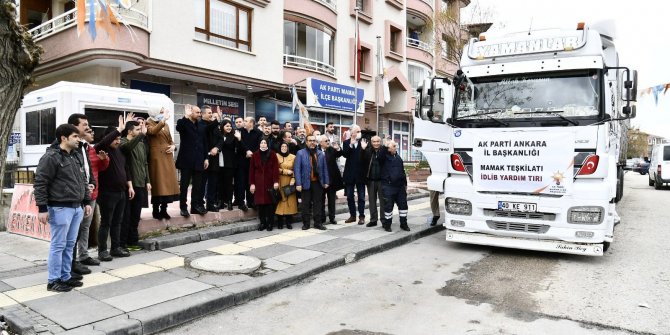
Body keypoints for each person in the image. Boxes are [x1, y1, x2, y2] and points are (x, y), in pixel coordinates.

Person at [34, 124, 93, 292]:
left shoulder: (75, 156)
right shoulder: (51, 157)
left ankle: (65, 276)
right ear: (64, 138)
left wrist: (86, 202)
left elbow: (82, 180)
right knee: (58, 245)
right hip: (60, 208)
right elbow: (40, 183)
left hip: (76, 207)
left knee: (69, 245)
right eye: (75, 136)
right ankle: (53, 280)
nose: (78, 139)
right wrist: (42, 208)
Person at [95, 118, 133, 261]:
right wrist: (119, 129)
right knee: (106, 222)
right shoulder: (102, 149)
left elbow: (126, 168)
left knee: (118, 221)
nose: (117, 141)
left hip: (121, 192)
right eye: (115, 138)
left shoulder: (119, 151)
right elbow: (103, 142)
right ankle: (102, 250)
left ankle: (115, 248)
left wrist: (130, 186)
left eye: (119, 138)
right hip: (107, 193)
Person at [66, 113, 96, 276]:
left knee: (84, 227)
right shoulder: (66, 148)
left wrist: (92, 183)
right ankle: (69, 266)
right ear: (75, 126)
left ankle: (81, 258)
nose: (88, 126)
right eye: (84, 124)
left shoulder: (83, 146)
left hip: (86, 193)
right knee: (71, 234)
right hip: (74, 196)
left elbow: (87, 168)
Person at [77, 128, 109, 267]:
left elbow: (97, 169)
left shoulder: (90, 149)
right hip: (78, 195)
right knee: (75, 228)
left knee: (85, 227)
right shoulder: (76, 149)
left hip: (91, 194)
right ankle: (71, 261)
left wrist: (104, 160)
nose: (92, 133)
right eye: (88, 130)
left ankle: (83, 255)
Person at [120, 120, 151, 252]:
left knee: (136, 215)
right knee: (126, 215)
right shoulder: (122, 142)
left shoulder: (141, 144)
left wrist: (148, 181)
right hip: (129, 184)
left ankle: (133, 241)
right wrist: (141, 135)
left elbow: (145, 163)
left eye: (140, 130)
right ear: (130, 131)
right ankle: (123, 242)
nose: (140, 131)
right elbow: (127, 149)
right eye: (137, 129)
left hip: (141, 183)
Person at [146, 106, 179, 220]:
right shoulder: (148, 123)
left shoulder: (166, 124)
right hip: (156, 158)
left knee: (168, 183)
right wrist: (163, 120)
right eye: (160, 112)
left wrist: (174, 146)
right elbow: (153, 131)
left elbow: (170, 139)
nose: (162, 114)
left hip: (167, 156)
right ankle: (156, 210)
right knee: (158, 183)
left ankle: (164, 209)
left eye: (162, 112)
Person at [176, 104, 208, 217]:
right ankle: (183, 207)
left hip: (199, 160)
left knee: (197, 185)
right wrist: (186, 116)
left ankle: (195, 207)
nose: (199, 114)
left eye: (200, 112)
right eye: (197, 112)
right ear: (191, 113)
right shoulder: (183, 122)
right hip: (186, 160)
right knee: (184, 185)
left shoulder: (201, 126)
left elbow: (204, 143)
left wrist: (206, 158)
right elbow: (178, 128)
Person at [294, 134, 329, 230]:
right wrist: (298, 183)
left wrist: (326, 181)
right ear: (306, 142)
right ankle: (306, 224)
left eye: (314, 140)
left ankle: (318, 223)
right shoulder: (300, 153)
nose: (312, 142)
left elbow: (324, 168)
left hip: (318, 183)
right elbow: (297, 169)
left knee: (318, 204)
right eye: (310, 140)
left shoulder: (320, 154)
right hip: (305, 183)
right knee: (306, 204)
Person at [249, 138, 280, 231]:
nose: (263, 144)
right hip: (258, 183)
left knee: (269, 205)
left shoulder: (272, 154)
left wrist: (276, 181)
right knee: (260, 205)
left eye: (264, 143)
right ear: (259, 144)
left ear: (267, 144)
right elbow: (251, 171)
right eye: (261, 143)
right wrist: (252, 184)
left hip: (269, 182)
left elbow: (275, 169)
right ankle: (263, 223)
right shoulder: (255, 155)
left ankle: (270, 223)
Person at [379, 140, 409, 232]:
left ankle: (403, 224)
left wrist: (405, 184)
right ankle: (387, 225)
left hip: (400, 187)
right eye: (389, 147)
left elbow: (402, 172)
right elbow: (380, 156)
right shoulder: (384, 157)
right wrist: (385, 146)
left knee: (403, 206)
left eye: (392, 146)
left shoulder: (398, 158)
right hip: (388, 186)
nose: (391, 148)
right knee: (388, 207)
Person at [238, 117, 263, 210]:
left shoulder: (259, 133)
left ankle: (251, 202)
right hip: (241, 161)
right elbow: (238, 144)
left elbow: (259, 146)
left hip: (253, 161)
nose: (243, 123)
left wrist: (252, 154)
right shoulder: (239, 131)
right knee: (241, 182)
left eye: (246, 121)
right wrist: (246, 151)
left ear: (252, 123)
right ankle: (241, 202)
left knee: (251, 182)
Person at [342, 125, 366, 224]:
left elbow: (366, 157)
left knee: (361, 197)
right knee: (349, 196)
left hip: (360, 174)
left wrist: (364, 149)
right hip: (350, 174)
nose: (359, 133)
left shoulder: (363, 141)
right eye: (357, 131)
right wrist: (351, 145)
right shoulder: (346, 143)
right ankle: (352, 215)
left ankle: (361, 216)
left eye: (360, 131)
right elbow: (345, 155)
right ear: (352, 133)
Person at [201, 106, 224, 212]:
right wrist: (217, 119)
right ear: (203, 114)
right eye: (209, 113)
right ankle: (200, 204)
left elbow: (220, 139)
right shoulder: (201, 124)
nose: (211, 114)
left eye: (212, 113)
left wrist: (217, 148)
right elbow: (207, 129)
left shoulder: (215, 127)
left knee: (213, 183)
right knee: (201, 183)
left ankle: (210, 204)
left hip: (214, 158)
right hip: (204, 158)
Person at [361, 136, 385, 227]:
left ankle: (384, 220)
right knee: (372, 201)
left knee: (383, 201)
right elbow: (361, 161)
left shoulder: (384, 151)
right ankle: (373, 220)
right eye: (374, 142)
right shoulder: (368, 151)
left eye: (378, 141)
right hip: (371, 180)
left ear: (380, 141)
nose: (376, 143)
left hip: (382, 181)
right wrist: (362, 150)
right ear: (371, 142)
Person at [218, 119, 242, 211]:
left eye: (230, 126)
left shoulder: (234, 136)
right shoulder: (219, 135)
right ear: (222, 127)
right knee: (220, 184)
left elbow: (238, 148)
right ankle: (220, 201)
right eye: (226, 126)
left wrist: (239, 139)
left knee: (228, 184)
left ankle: (229, 202)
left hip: (229, 163)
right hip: (219, 163)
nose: (229, 128)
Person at [319, 135, 343, 224]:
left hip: (331, 180)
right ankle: (322, 217)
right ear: (320, 143)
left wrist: (338, 148)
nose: (328, 142)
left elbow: (340, 154)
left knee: (331, 200)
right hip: (321, 180)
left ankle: (332, 218)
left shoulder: (331, 149)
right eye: (326, 141)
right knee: (321, 200)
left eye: (328, 140)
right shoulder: (317, 150)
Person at [275, 142, 298, 229]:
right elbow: (273, 168)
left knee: (289, 202)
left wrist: (293, 179)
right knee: (280, 201)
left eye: (285, 146)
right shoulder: (276, 156)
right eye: (282, 146)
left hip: (289, 182)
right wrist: (285, 171)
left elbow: (296, 169)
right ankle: (280, 222)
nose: (284, 148)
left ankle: (289, 222)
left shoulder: (293, 157)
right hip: (279, 181)